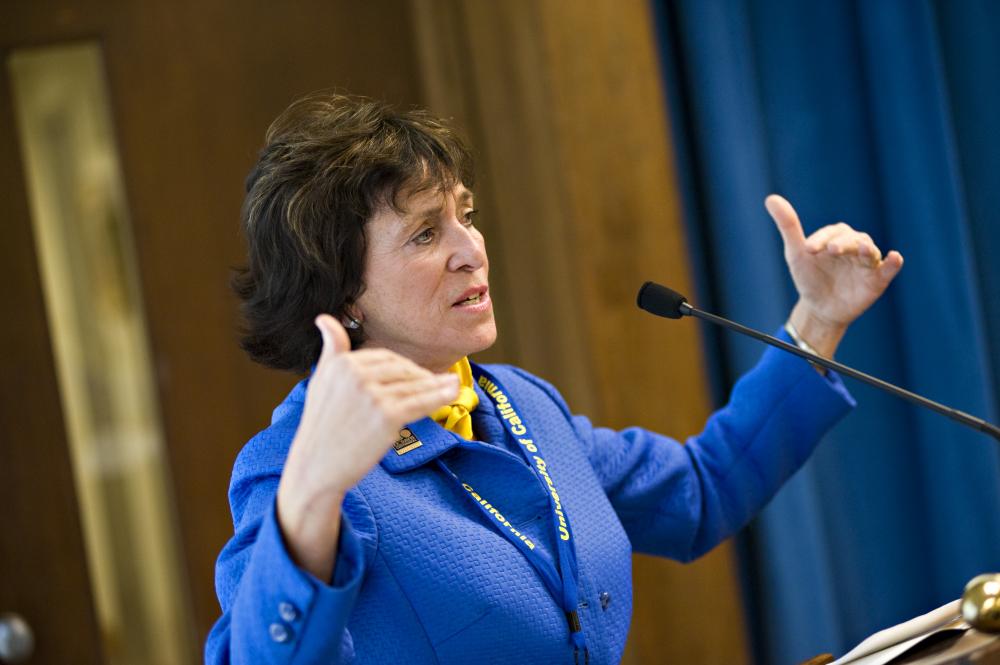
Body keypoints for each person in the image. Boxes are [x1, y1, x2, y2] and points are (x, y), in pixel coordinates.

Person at [206, 92, 903, 664]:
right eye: (424, 234)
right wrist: (312, 495)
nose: (471, 251)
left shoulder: (521, 404)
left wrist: (818, 319)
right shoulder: (294, 463)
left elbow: (698, 492)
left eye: (466, 217)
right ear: (342, 290)